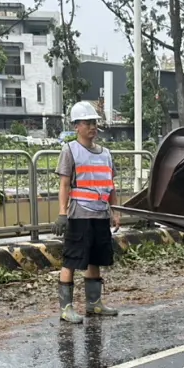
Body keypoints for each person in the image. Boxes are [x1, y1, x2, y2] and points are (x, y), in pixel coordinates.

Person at [54, 101, 120, 323]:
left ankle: (94, 304)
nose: (92, 127)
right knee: (72, 259)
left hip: (100, 213)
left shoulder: (106, 154)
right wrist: (62, 213)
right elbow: (64, 185)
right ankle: (66, 308)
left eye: (94, 123)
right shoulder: (70, 150)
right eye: (87, 123)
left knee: (96, 258)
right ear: (76, 126)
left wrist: (115, 211)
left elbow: (111, 184)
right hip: (79, 214)